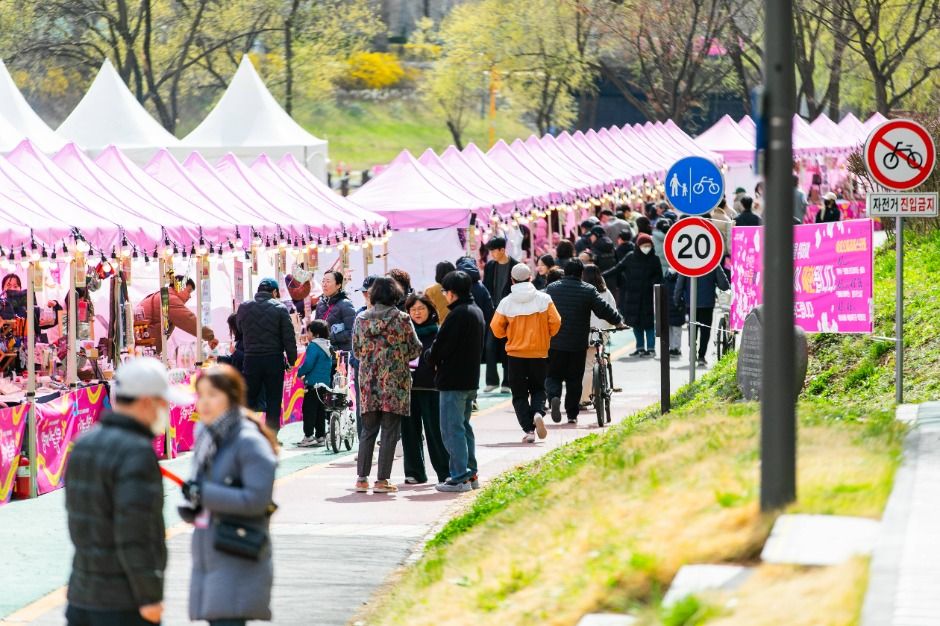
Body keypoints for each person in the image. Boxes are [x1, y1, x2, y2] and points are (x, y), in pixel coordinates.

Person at [65, 357, 182, 626]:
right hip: (123, 603)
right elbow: (136, 533)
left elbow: (79, 524)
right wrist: (149, 595)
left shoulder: (85, 443)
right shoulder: (137, 452)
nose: (164, 410)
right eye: (162, 403)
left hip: (82, 592)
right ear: (146, 402)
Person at [180, 365, 278, 626]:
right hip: (213, 553)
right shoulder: (208, 436)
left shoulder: (248, 441)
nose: (205, 402)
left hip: (237, 552)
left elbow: (256, 499)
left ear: (232, 396)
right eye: (200, 395)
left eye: (212, 394)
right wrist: (192, 503)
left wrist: (205, 494)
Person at [352, 277, 423, 494]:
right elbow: (415, 348)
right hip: (395, 381)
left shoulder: (361, 318)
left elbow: (356, 350)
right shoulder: (401, 318)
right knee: (390, 431)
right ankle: (382, 480)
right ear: (395, 295)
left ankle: (361, 479)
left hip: (368, 381)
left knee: (368, 430)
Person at [490, 263, 561, 443]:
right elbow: (556, 322)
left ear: (512, 280)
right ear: (530, 278)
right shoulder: (544, 299)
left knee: (519, 394)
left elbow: (496, 329)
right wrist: (546, 335)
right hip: (539, 352)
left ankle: (529, 430)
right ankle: (538, 412)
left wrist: (510, 335)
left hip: (515, 355)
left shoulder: (506, 302)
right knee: (538, 388)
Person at [428, 270, 485, 492]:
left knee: (452, 430)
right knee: (463, 428)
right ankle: (470, 475)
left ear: (451, 293)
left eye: (444, 291)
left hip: (453, 380)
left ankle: (459, 477)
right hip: (469, 379)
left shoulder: (458, 315)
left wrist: (428, 356)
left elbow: (440, 348)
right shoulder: (475, 311)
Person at [545, 260, 622, 424]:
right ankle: (572, 414)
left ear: (564, 272)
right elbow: (604, 309)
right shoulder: (588, 290)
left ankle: (554, 397)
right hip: (578, 343)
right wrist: (618, 322)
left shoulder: (552, 289)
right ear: (581, 273)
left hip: (555, 341)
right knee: (574, 379)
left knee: (553, 375)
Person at [236, 278, 297, 434]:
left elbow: (239, 328)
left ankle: (245, 432)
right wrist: (291, 360)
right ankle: (271, 435)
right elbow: (288, 337)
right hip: (273, 359)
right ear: (275, 292)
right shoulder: (280, 308)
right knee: (273, 399)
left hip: (251, 359)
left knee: (249, 398)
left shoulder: (244, 307)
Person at [403, 293, 450, 485]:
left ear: (430, 310)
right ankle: (414, 472)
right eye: (413, 310)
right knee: (409, 432)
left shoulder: (439, 332)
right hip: (407, 388)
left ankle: (444, 471)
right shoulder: (404, 332)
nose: (417, 313)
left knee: (435, 432)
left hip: (432, 388)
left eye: (421, 309)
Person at [604, 233, 662, 357]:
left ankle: (651, 348)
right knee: (636, 323)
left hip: (649, 297)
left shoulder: (654, 259)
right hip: (633, 296)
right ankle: (640, 347)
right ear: (638, 246)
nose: (646, 248)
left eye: (648, 245)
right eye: (644, 245)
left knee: (649, 324)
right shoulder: (630, 257)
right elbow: (617, 268)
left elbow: (659, 276)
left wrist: (651, 284)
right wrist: (601, 276)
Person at [140, 276, 217, 354]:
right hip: (143, 348)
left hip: (142, 345)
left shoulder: (162, 295)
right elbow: (189, 320)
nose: (190, 296)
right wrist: (210, 336)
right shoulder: (168, 299)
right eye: (189, 291)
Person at [482, 237, 519, 392]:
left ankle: (507, 382)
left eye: (493, 251)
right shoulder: (490, 266)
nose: (491, 254)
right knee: (489, 346)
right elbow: (486, 287)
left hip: (510, 312)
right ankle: (492, 381)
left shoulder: (516, 266)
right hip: (494, 311)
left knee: (507, 347)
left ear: (502, 250)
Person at [676, 266, 731, 366]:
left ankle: (692, 353)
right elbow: (724, 285)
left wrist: (677, 300)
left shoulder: (686, 263)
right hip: (707, 303)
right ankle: (701, 356)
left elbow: (679, 284)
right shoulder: (712, 263)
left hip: (691, 303)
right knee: (705, 331)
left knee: (692, 329)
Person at [579, 264, 618, 405]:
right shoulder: (606, 293)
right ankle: (600, 383)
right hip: (603, 333)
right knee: (599, 358)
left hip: (585, 333)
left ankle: (584, 398)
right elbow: (613, 311)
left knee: (587, 366)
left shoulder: (582, 291)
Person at [295, 319, 334, 448]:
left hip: (313, 384)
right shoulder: (328, 345)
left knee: (309, 410)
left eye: (309, 332)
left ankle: (308, 436)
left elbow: (308, 364)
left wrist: (300, 373)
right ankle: (320, 436)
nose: (308, 335)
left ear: (316, 334)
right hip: (325, 384)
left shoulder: (313, 346)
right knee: (320, 410)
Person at [315, 270, 356, 352]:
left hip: (339, 354)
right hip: (322, 351)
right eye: (323, 281)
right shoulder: (320, 304)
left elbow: (352, 332)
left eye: (328, 281)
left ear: (338, 285)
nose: (324, 284)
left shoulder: (346, 304)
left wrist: (329, 337)